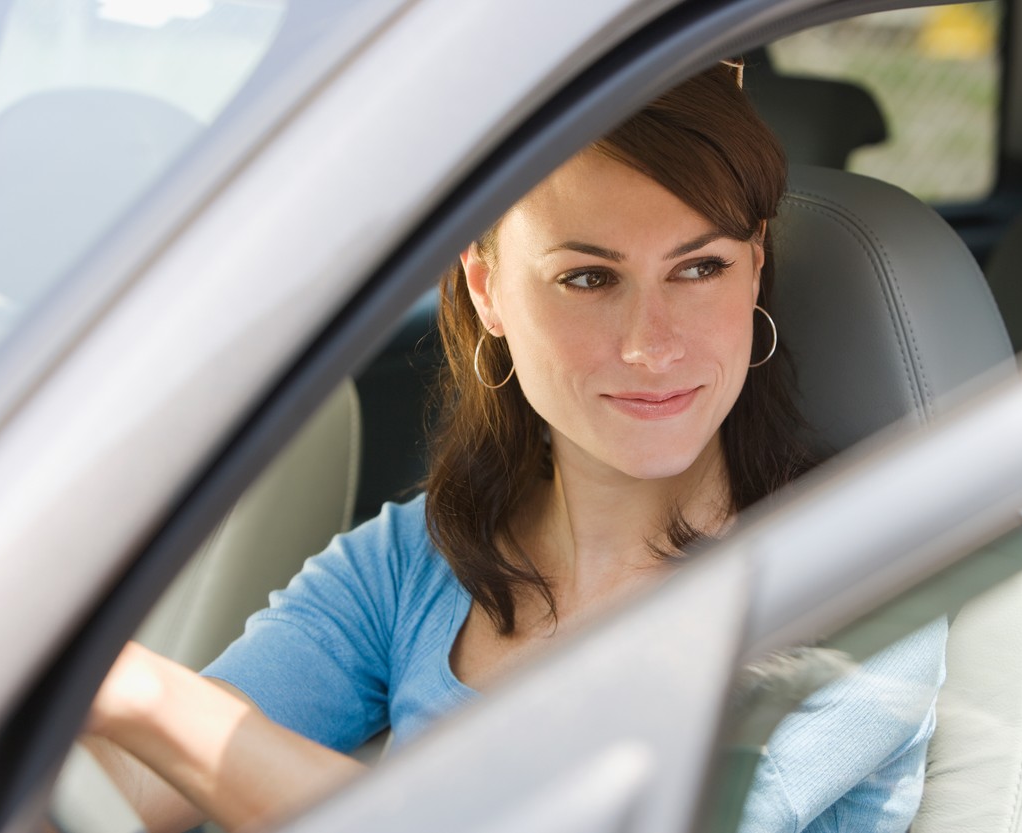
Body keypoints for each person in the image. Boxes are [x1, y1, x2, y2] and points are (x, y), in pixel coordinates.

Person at [84, 62, 946, 833]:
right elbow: (120, 793)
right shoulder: (417, 561)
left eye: (700, 268)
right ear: (487, 287)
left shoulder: (864, 578)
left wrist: (143, 696)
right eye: (588, 278)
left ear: (755, 266)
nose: (652, 344)